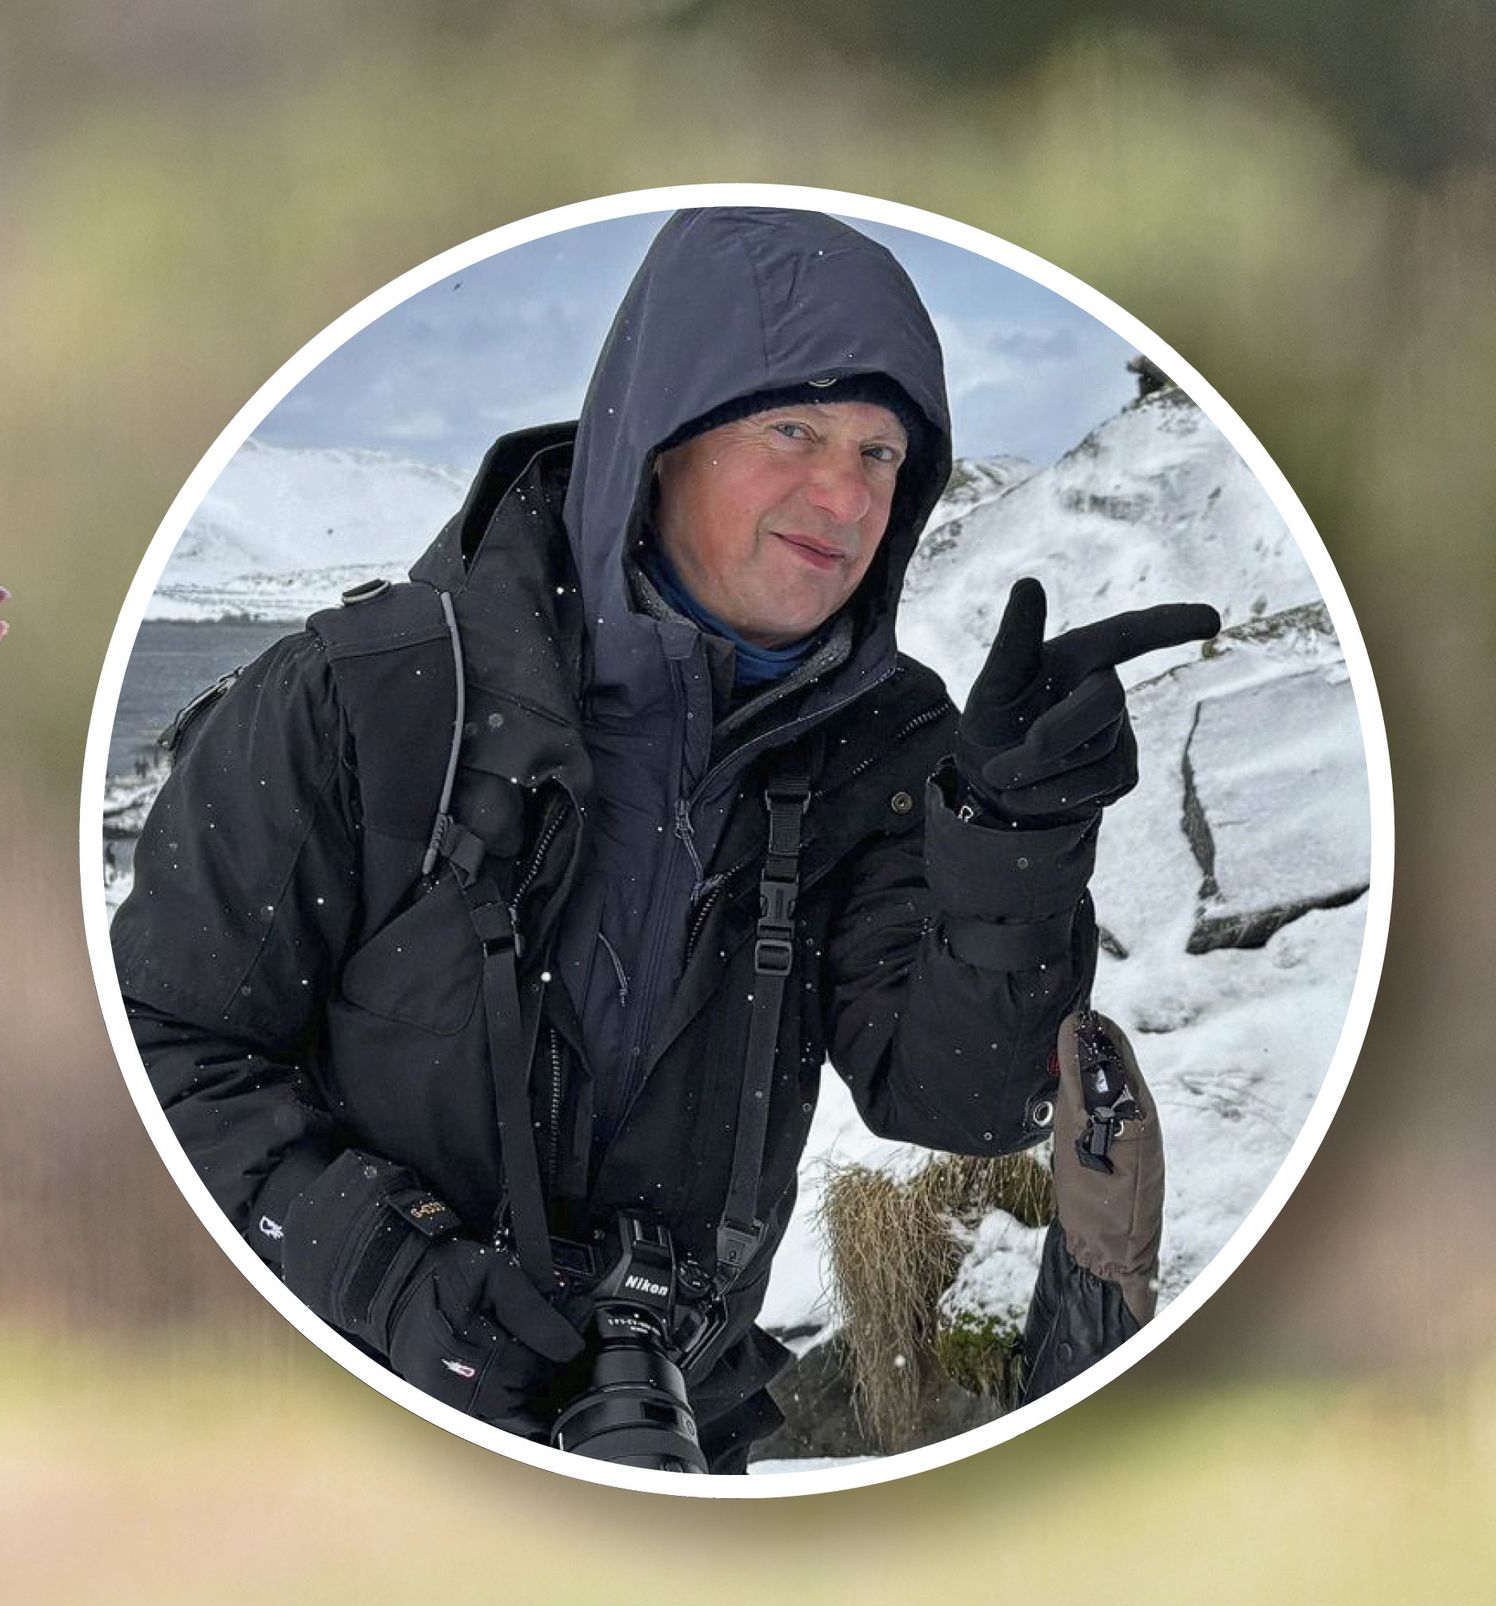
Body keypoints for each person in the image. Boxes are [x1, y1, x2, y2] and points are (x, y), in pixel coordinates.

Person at [109, 207, 1212, 1469]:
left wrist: (1012, 836)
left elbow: (957, 1100)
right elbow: (159, 1045)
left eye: (880, 451)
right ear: (658, 440)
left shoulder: (884, 747)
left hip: (674, 1436)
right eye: (790, 430)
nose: (844, 494)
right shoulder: (370, 700)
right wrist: (394, 1278)